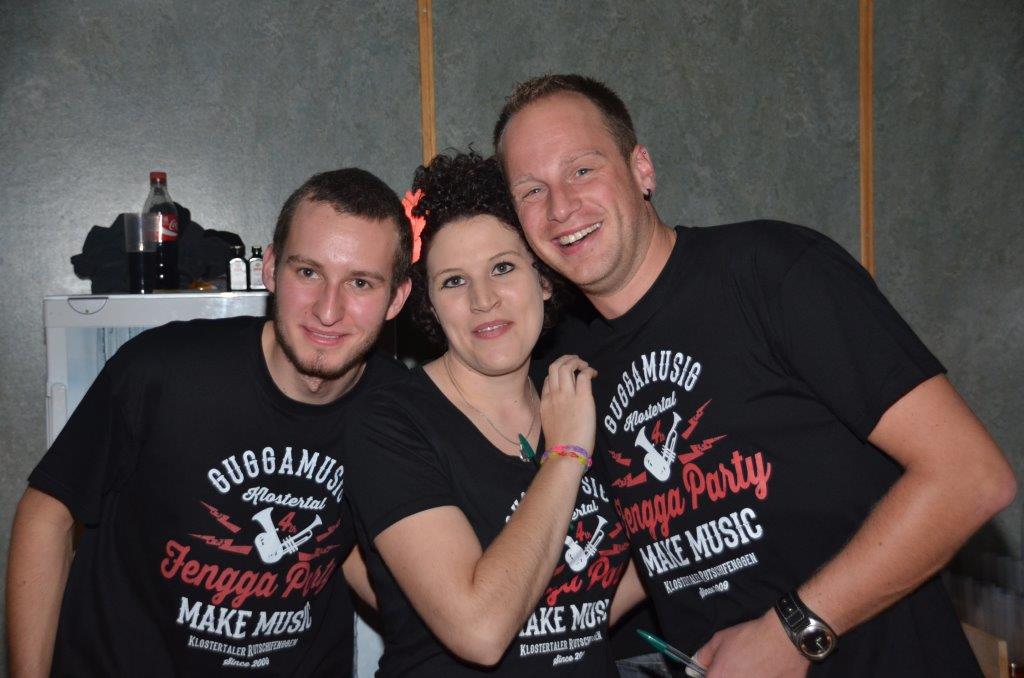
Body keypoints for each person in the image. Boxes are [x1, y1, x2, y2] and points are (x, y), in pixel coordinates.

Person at [492, 74, 1018, 677]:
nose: (560, 208)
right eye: (532, 191)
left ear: (641, 169)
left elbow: (971, 477)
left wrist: (794, 631)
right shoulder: (568, 365)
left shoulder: (771, 273)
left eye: (582, 170)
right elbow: (638, 545)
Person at [5, 168, 413, 677]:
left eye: (360, 283)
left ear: (397, 298)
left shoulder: (401, 411)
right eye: (308, 272)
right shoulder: (164, 371)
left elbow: (354, 546)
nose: (328, 310)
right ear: (270, 269)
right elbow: (47, 514)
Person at [342, 152, 644, 676]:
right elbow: (480, 631)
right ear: (430, 304)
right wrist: (565, 454)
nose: (483, 300)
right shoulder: (389, 424)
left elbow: (595, 598)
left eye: (503, 268)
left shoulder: (578, 393)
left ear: (543, 279)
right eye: (454, 282)